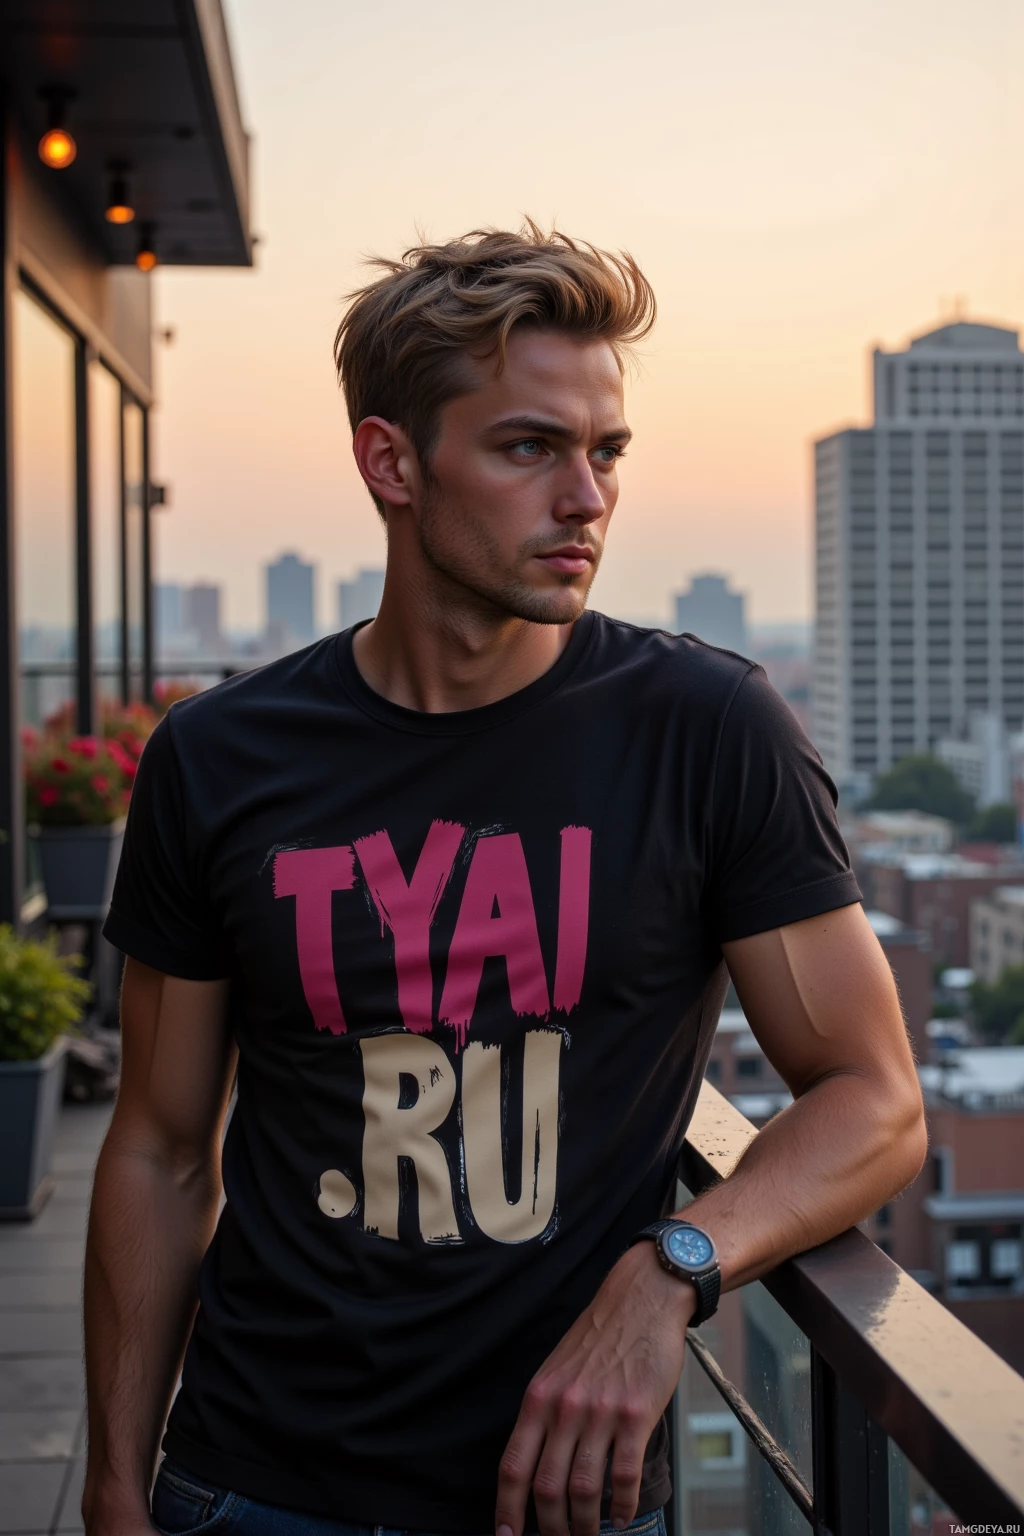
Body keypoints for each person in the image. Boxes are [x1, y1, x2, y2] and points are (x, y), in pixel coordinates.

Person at [82, 224, 927, 1536]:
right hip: (248, 1484)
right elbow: (155, 1145)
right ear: (391, 462)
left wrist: (671, 1271)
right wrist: (115, 1483)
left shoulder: (708, 732)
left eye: (606, 452)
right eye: (530, 447)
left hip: (564, 1507)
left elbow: (878, 1100)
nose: (586, 498)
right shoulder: (219, 756)